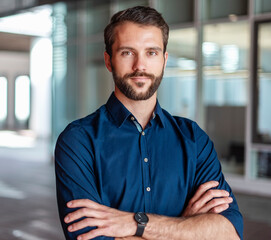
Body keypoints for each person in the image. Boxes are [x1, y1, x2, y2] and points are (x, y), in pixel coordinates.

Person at [55, 6, 243, 240]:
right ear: (108, 60)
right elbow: (88, 237)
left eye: (151, 53)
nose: (140, 66)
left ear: (164, 59)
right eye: (127, 52)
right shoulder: (78, 141)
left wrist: (135, 224)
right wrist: (184, 225)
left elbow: (229, 233)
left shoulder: (194, 139)